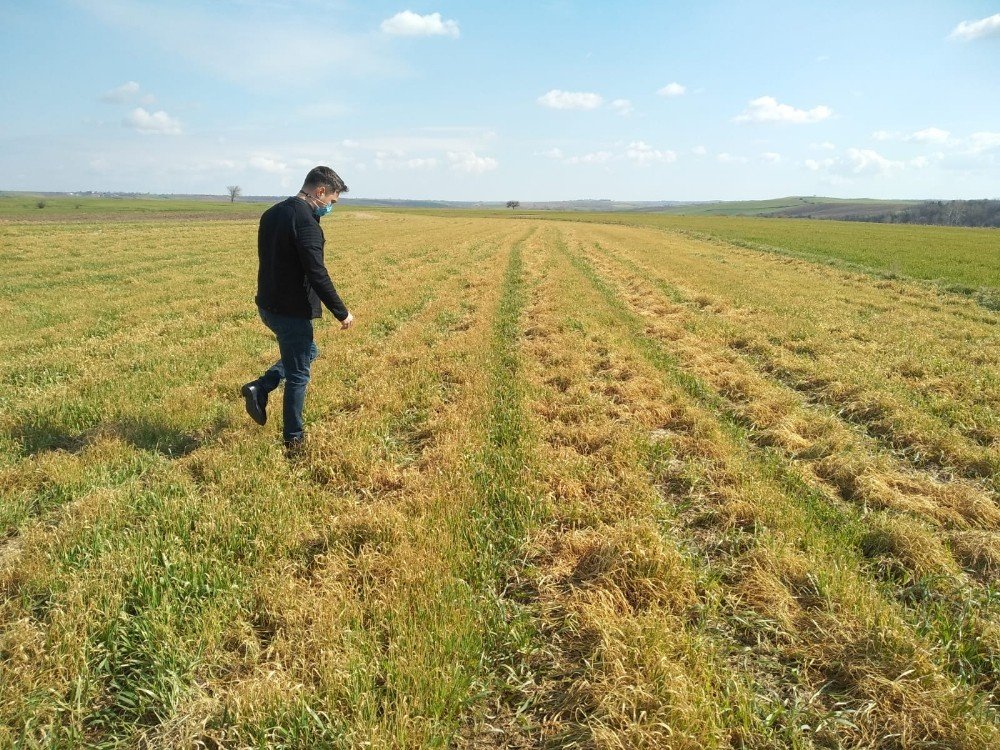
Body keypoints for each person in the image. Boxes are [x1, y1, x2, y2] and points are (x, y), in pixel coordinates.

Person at [241, 165, 354, 454]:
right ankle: (294, 441)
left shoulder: (272, 212)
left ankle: (262, 386)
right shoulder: (307, 223)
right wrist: (341, 312)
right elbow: (317, 272)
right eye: (331, 201)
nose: (330, 207)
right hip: (290, 310)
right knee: (299, 375)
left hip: (267, 305)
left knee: (307, 352)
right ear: (320, 191)